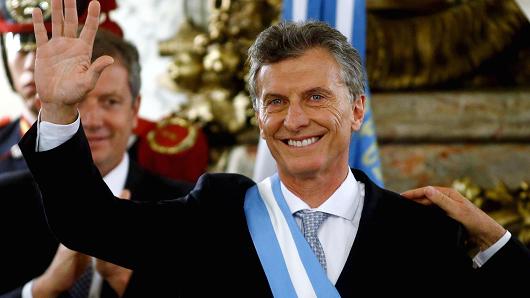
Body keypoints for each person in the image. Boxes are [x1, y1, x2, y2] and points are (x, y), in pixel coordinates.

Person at [20, 0, 530, 296]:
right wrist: (61, 110)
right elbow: (87, 222)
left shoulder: (421, 231)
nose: (295, 119)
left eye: (315, 97)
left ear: (356, 109)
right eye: (276, 101)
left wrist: (493, 239)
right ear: (259, 117)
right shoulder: (215, 211)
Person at [0, 26, 193, 297]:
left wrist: (126, 280)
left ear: (135, 110)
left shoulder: (185, 206)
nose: (91, 120)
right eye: (77, 102)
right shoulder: (7, 201)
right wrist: (42, 289)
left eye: (110, 102)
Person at [0, 0, 208, 181]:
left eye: (110, 101)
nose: (31, 63)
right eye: (20, 50)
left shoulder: (160, 154)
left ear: (135, 108)